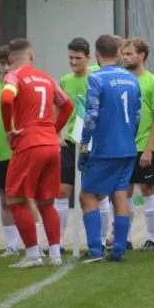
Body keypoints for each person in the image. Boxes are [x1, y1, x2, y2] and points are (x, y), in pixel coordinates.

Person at [0, 38, 73, 268]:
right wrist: (54, 129)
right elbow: (68, 105)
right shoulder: (47, 77)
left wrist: (8, 130)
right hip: (51, 146)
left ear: (10, 60)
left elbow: (5, 98)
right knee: (46, 202)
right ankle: (55, 255)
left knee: (15, 199)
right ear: (31, 55)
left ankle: (33, 255)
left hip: (29, 144)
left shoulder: (13, 76)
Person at [78, 35, 141, 263]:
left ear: (96, 54)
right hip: (128, 147)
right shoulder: (132, 79)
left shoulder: (95, 78)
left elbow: (91, 115)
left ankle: (95, 251)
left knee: (87, 195)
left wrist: (84, 144)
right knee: (120, 194)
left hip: (105, 148)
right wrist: (128, 138)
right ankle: (119, 250)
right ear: (117, 54)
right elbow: (137, 115)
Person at [0, 45, 44, 257]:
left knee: (28, 198)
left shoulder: (22, 83)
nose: (6, 67)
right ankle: (12, 245)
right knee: (5, 200)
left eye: (9, 63)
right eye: (2, 63)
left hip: (23, 151)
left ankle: (37, 244)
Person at [54, 37, 103, 252]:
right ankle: (59, 242)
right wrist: (56, 133)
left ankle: (101, 240)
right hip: (71, 143)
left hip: (93, 143)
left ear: (89, 58)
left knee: (98, 194)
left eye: (78, 58)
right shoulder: (65, 81)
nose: (74, 62)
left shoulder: (97, 77)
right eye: (71, 58)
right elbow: (59, 109)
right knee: (62, 191)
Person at [121, 38, 154, 250]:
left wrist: (149, 148)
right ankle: (126, 238)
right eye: (123, 53)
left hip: (144, 147)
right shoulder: (121, 80)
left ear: (141, 56)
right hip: (122, 146)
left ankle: (150, 237)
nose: (125, 57)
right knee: (123, 191)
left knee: (148, 189)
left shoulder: (153, 82)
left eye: (129, 54)